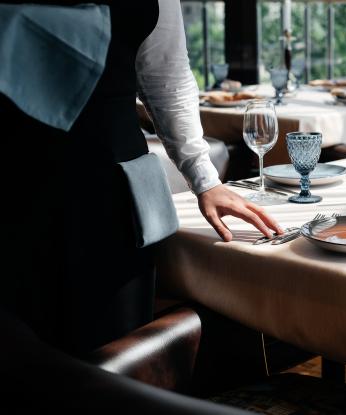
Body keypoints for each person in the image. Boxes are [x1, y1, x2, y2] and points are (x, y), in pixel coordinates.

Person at [0, 0, 282, 355]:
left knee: (114, 348)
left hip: (114, 193)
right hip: (13, 182)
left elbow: (167, 76)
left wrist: (205, 179)